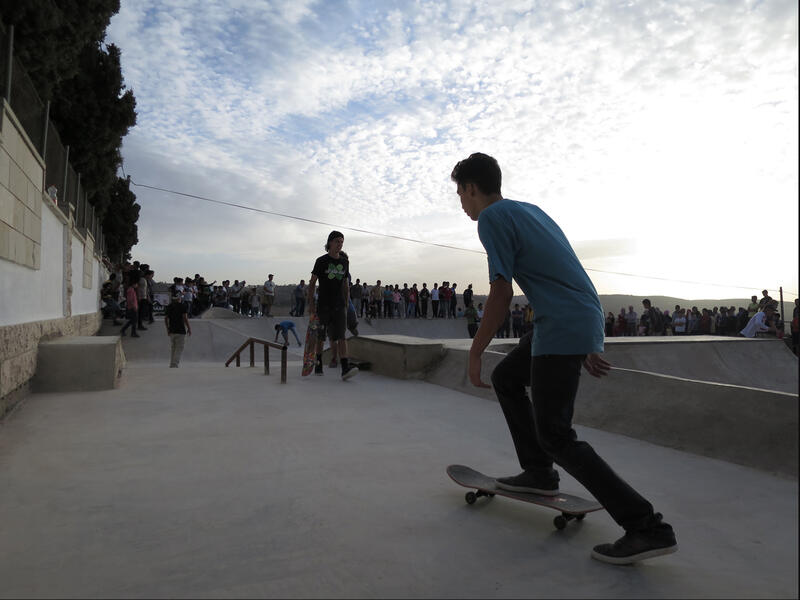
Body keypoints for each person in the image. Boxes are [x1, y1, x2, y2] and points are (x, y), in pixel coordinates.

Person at [452, 152, 676, 565]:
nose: (461, 204)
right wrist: (589, 338)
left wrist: (475, 350)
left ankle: (647, 526)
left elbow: (501, 294)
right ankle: (538, 473)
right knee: (507, 378)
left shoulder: (492, 219)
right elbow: (568, 271)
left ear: (471, 187)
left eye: (460, 194)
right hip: (572, 317)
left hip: (562, 324)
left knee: (556, 434)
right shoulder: (531, 211)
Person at [307, 231, 359, 380]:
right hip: (323, 305)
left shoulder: (344, 262)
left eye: (342, 242)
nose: (340, 244)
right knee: (321, 336)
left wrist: (347, 302)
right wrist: (311, 304)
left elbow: (345, 284)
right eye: (337, 241)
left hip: (339, 305)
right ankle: (318, 363)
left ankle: (344, 367)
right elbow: (312, 284)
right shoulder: (321, 261)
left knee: (341, 336)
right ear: (329, 243)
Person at [165, 291, 191, 367]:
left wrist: (167, 329)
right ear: (179, 298)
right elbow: (185, 318)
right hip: (181, 330)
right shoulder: (183, 306)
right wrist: (189, 328)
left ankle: (171, 363)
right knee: (179, 348)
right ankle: (174, 364)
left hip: (172, 330)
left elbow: (166, 318)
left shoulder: (169, 306)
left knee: (173, 348)